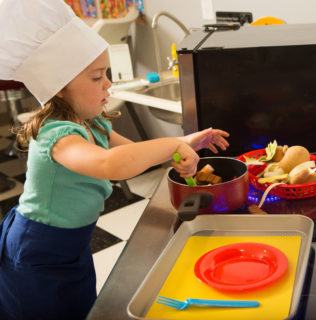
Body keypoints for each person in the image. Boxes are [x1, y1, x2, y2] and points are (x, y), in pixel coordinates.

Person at [0, 1, 229, 319]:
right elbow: (111, 164)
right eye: (96, 78)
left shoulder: (92, 123)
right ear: (60, 90)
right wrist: (172, 144)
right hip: (37, 249)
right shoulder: (58, 136)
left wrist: (184, 143)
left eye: (105, 73)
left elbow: (135, 155)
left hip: (72, 245)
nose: (108, 83)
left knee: (79, 309)